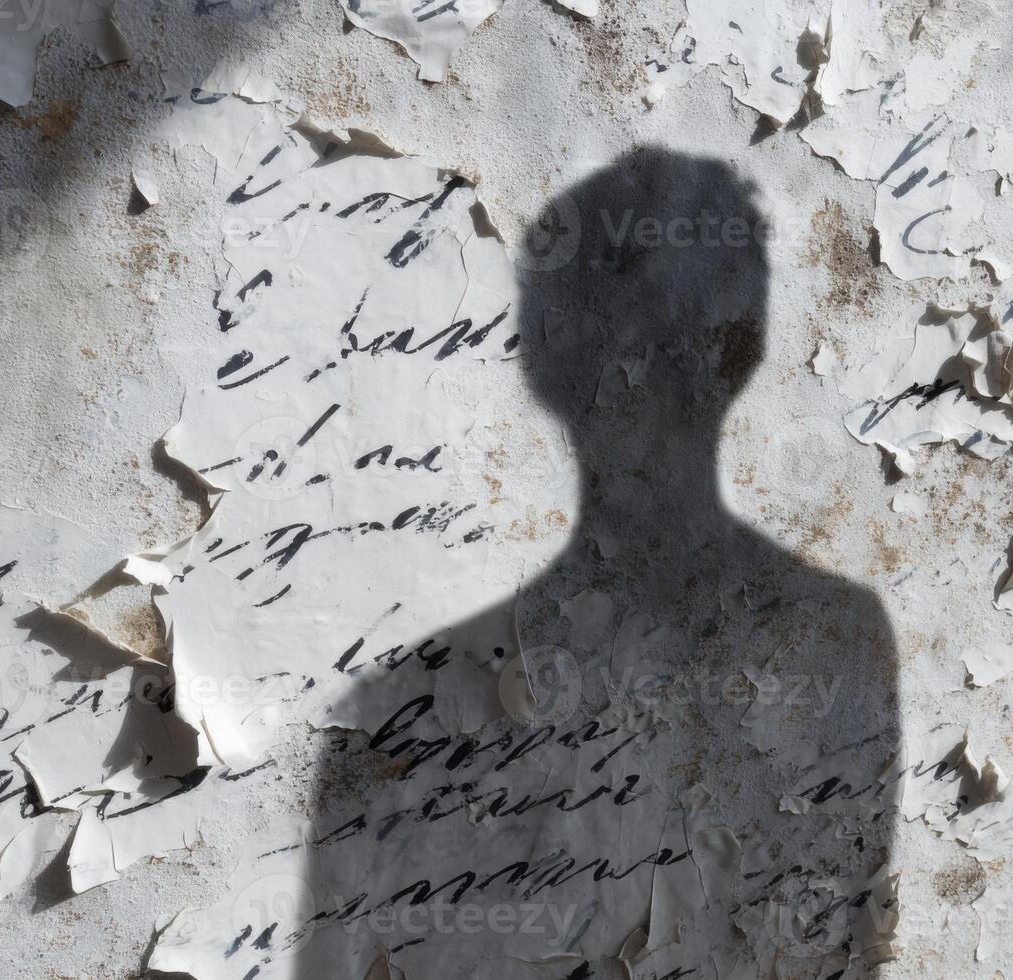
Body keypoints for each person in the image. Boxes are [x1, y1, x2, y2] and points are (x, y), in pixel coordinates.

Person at [302, 148, 900, 978]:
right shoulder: (839, 639)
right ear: (747, 349)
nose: (642, 370)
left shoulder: (401, 700)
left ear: (538, 362)